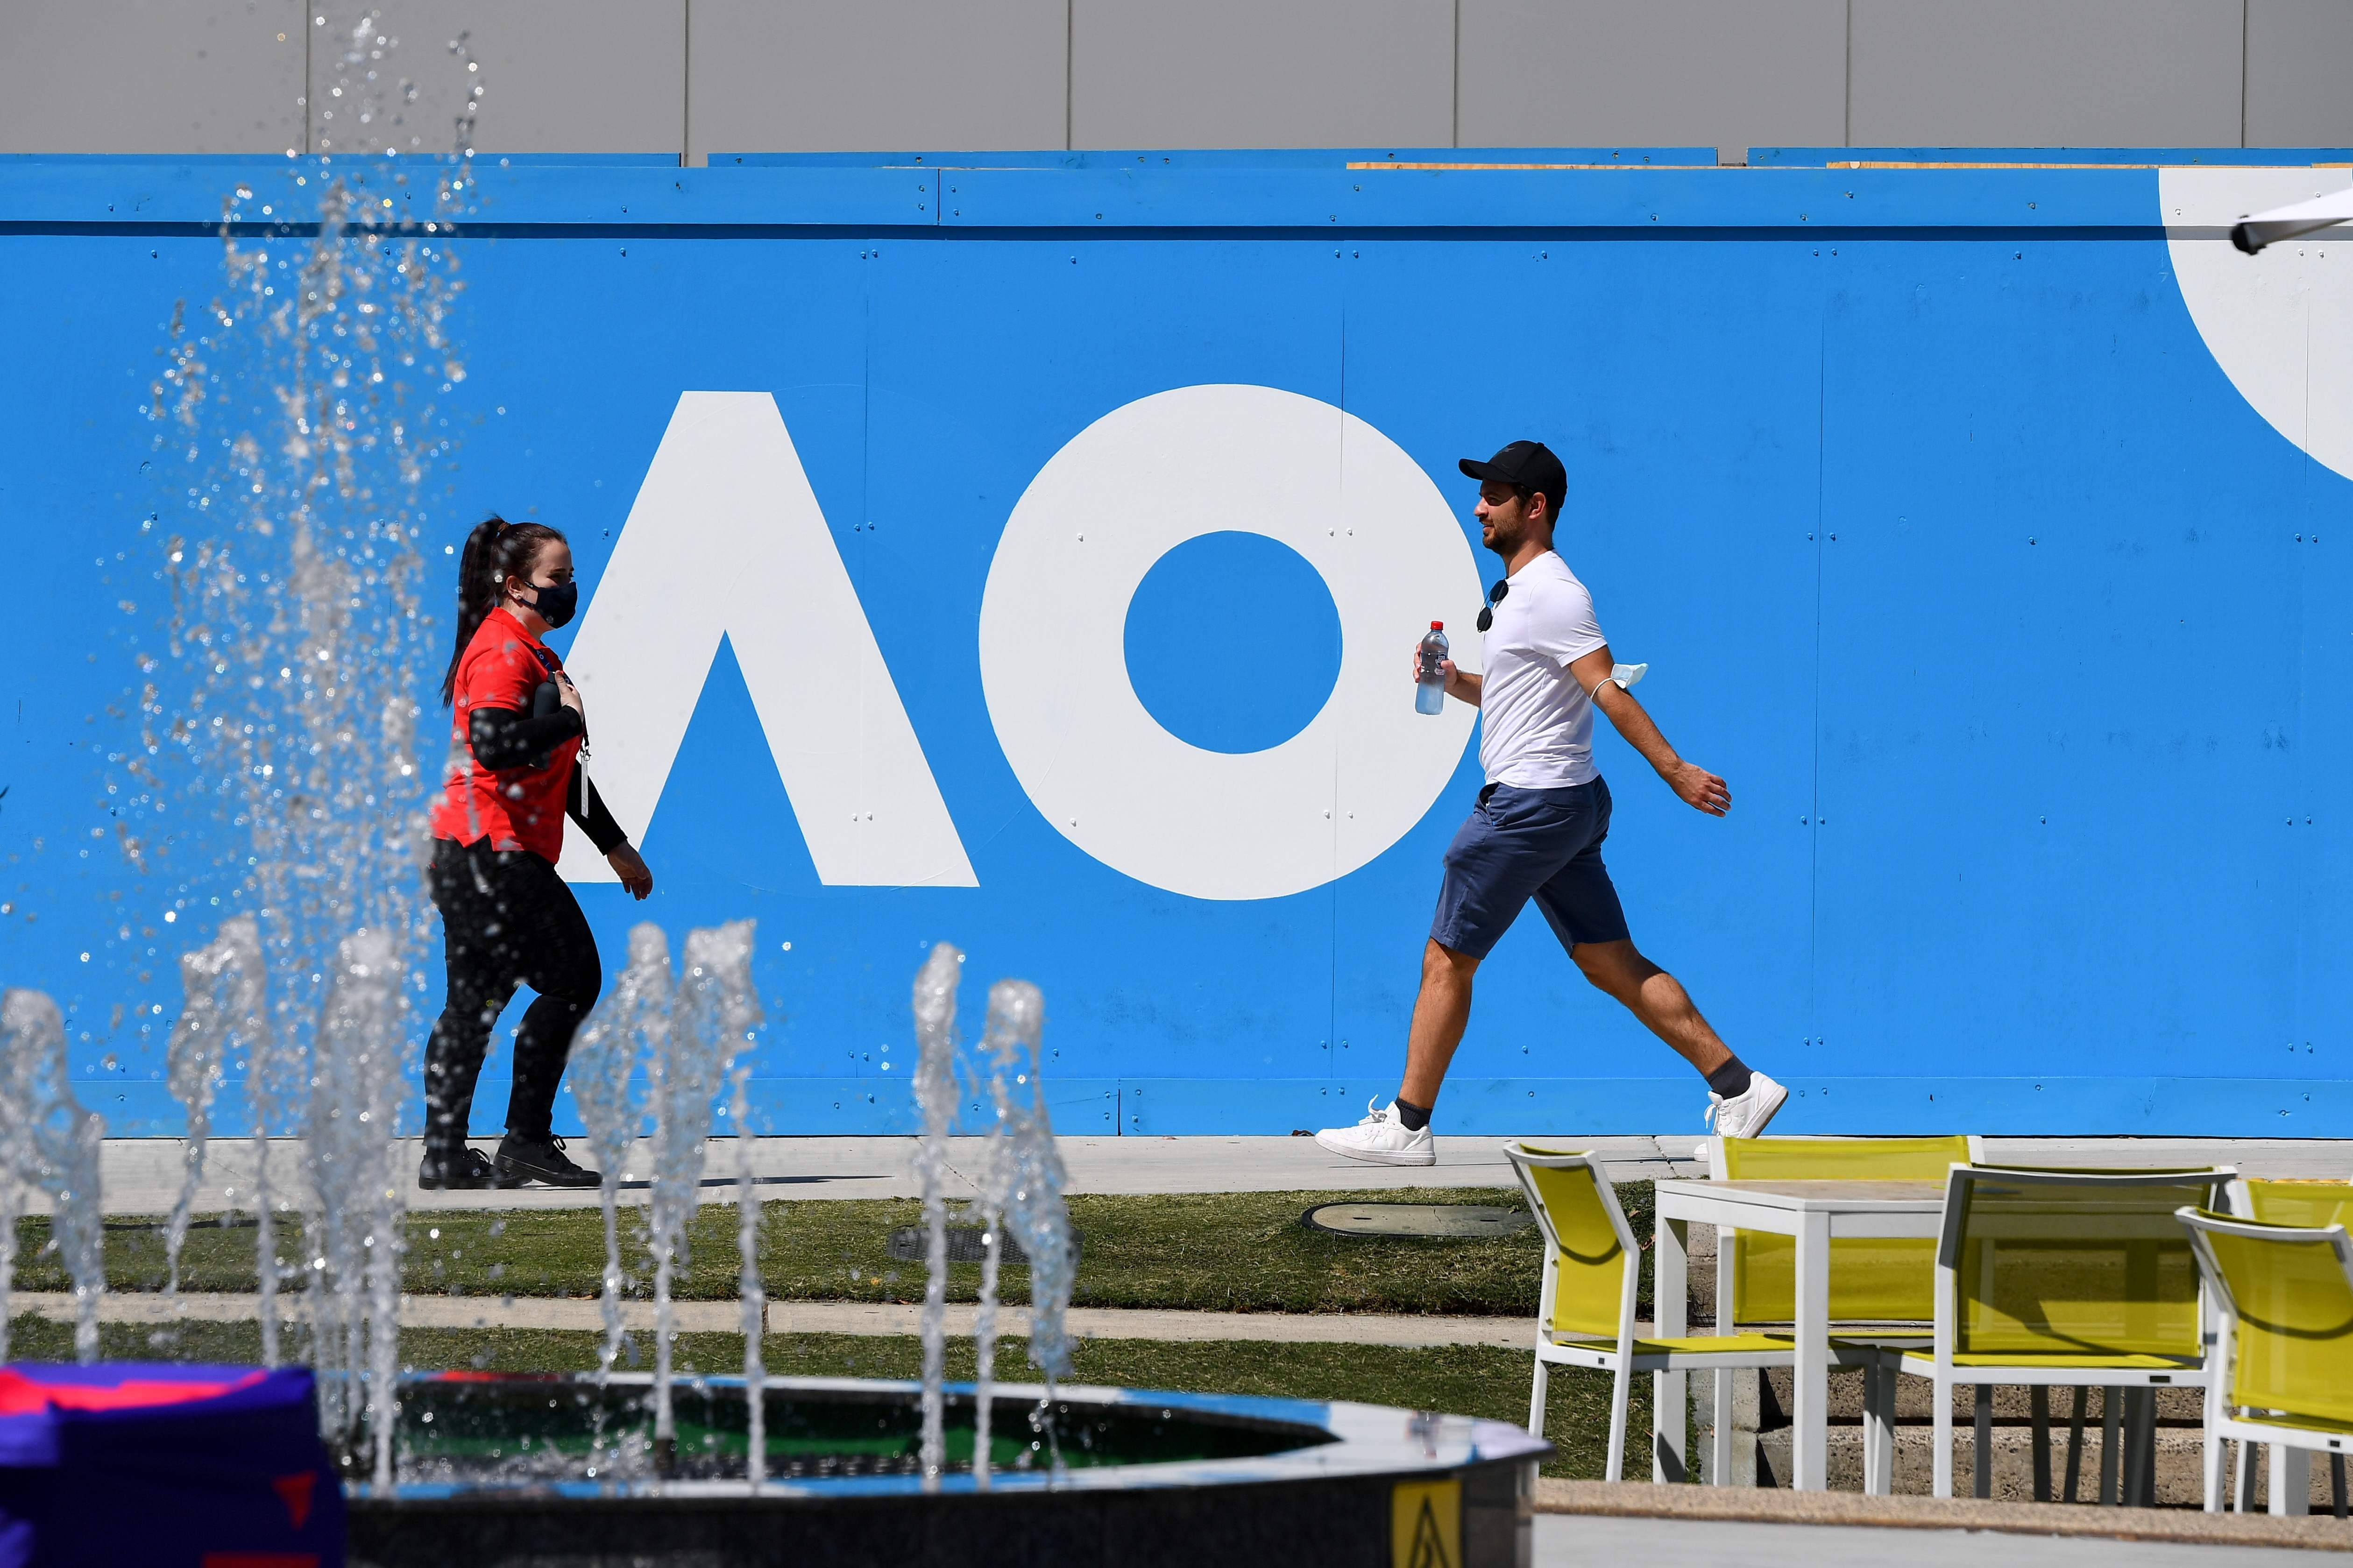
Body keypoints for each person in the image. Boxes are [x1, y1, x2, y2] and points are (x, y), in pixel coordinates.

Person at [1316, 440, 1784, 1166]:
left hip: (1528, 808)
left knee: (1446, 959)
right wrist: (1452, 681)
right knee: (1607, 960)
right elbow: (1524, 693)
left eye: (1494, 496)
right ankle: (1737, 1085)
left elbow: (1603, 688)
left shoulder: (1555, 593)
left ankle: (1406, 1126)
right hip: (1566, 805)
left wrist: (1673, 769)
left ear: (1534, 507)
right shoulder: (1517, 598)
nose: (1479, 507)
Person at [419, 516, 654, 1189]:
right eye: (559, 577)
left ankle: (444, 1155)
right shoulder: (503, 652)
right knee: (572, 978)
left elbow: (562, 771)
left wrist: (615, 847)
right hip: (492, 848)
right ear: (518, 584)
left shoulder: (535, 653)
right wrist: (568, 719)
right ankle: (523, 1141)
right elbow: (495, 744)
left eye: (571, 576)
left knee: (474, 1002)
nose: (569, 588)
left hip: (465, 850)